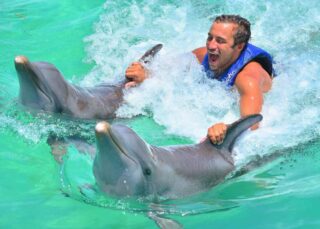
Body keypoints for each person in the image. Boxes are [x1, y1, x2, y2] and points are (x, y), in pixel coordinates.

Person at [125, 14, 274, 145]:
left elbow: (251, 125)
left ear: (239, 46)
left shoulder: (247, 78)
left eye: (220, 41)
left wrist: (227, 129)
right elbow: (169, 70)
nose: (211, 45)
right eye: (210, 37)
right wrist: (146, 75)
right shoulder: (202, 56)